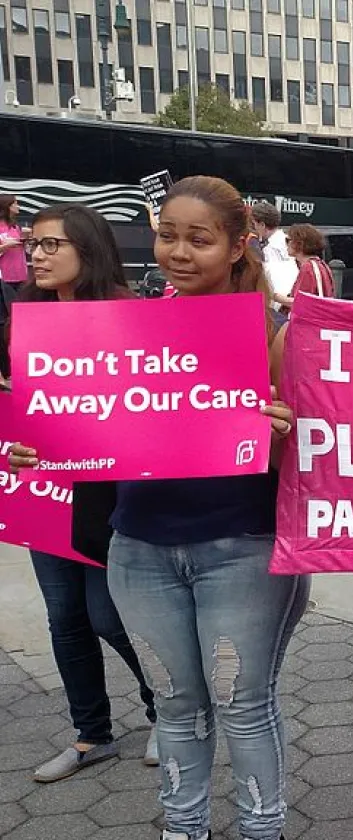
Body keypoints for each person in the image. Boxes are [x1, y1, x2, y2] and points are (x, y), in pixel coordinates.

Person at [9, 176, 306, 840]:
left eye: (199, 239)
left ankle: (263, 830)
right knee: (174, 703)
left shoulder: (275, 332)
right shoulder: (124, 327)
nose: (178, 252)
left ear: (237, 246)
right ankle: (182, 827)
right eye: (168, 236)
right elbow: (82, 422)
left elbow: (312, 460)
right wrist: (39, 446)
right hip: (139, 548)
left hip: (242, 545)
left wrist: (284, 432)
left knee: (243, 704)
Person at [4, 204, 160, 783]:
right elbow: (20, 404)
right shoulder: (26, 317)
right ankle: (91, 734)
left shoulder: (129, 315)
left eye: (52, 245)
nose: (37, 256)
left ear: (88, 250)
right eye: (34, 245)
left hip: (111, 496)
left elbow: (154, 403)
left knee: (110, 617)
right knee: (64, 617)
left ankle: (167, 713)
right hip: (45, 491)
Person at [0, 194, 28, 380]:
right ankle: (6, 367)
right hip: (4, 278)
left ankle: (19, 361)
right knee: (6, 321)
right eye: (15, 203)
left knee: (21, 321)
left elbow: (24, 252)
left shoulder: (15, 227)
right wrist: (4, 246)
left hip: (20, 277)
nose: (18, 206)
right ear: (7, 206)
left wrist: (26, 240)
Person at [284, 223, 335, 302]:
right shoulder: (320, 264)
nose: (286, 244)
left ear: (300, 244)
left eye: (288, 240)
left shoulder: (308, 267)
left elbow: (301, 302)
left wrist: (275, 296)